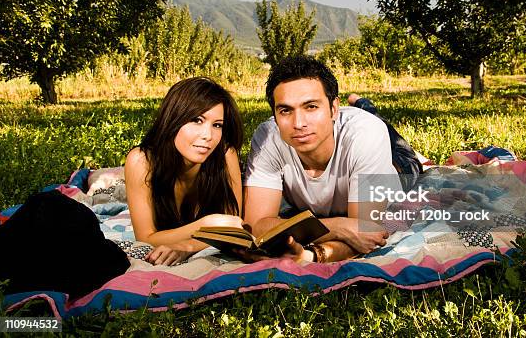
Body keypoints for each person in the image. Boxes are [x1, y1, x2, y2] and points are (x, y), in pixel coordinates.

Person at [243, 56, 422, 263]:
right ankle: (360, 105)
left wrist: (310, 250)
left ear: (333, 108)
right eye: (285, 110)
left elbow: (365, 231)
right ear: (275, 116)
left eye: (311, 107)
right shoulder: (268, 138)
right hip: (351, 136)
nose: (298, 123)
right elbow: (256, 225)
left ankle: (364, 105)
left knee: (400, 148)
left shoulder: (366, 133)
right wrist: (338, 226)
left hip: (398, 168)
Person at [125, 77, 245, 266]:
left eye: (217, 125)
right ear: (173, 118)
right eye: (197, 120)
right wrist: (208, 224)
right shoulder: (142, 161)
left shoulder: (225, 155)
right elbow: (145, 238)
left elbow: (233, 229)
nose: (208, 136)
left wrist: (187, 247)